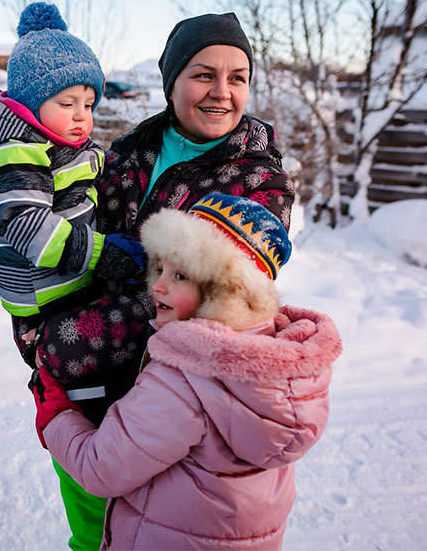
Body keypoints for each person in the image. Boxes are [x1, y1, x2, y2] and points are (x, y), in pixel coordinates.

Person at [17, 12, 297, 549]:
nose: (221, 92)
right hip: (84, 395)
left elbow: (208, 308)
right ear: (172, 81)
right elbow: (59, 247)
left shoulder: (260, 183)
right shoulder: (125, 153)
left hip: (176, 414)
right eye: (203, 74)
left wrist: (57, 346)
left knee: (155, 533)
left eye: (237, 77)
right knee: (91, 534)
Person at [32, 193, 341, 550]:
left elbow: (101, 469)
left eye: (179, 275)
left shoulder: (185, 379)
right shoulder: (277, 368)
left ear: (224, 292)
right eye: (159, 269)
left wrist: (55, 414)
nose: (158, 285)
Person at [0, 2, 144, 551]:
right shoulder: (14, 150)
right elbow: (25, 224)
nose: (82, 114)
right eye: (67, 102)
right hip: (45, 311)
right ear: (27, 101)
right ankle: (94, 527)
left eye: (89, 102)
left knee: (109, 409)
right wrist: (99, 256)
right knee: (85, 413)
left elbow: (93, 178)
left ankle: (115, 511)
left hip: (72, 298)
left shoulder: (62, 142)